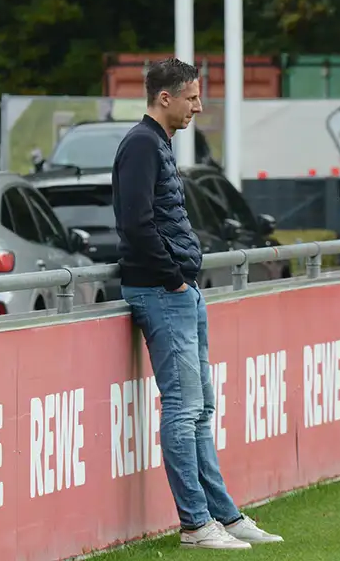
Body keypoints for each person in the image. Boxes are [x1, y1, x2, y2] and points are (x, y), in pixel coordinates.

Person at [112, 58, 282, 550]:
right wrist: (172, 279)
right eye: (191, 97)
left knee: (201, 407)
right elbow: (136, 223)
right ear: (165, 98)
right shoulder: (142, 144)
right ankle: (195, 524)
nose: (198, 107)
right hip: (164, 292)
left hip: (178, 290)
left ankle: (223, 517)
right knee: (185, 410)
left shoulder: (154, 143)